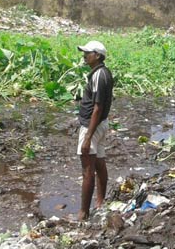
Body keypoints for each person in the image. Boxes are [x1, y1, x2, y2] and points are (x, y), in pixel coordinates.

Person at [76, 40, 114, 221]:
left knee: (87, 170)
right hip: (101, 124)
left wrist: (87, 137)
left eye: (88, 53)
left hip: (92, 126)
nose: (84, 55)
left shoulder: (99, 75)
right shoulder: (104, 73)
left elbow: (97, 108)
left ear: (97, 56)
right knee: (99, 163)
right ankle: (100, 203)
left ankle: (83, 213)